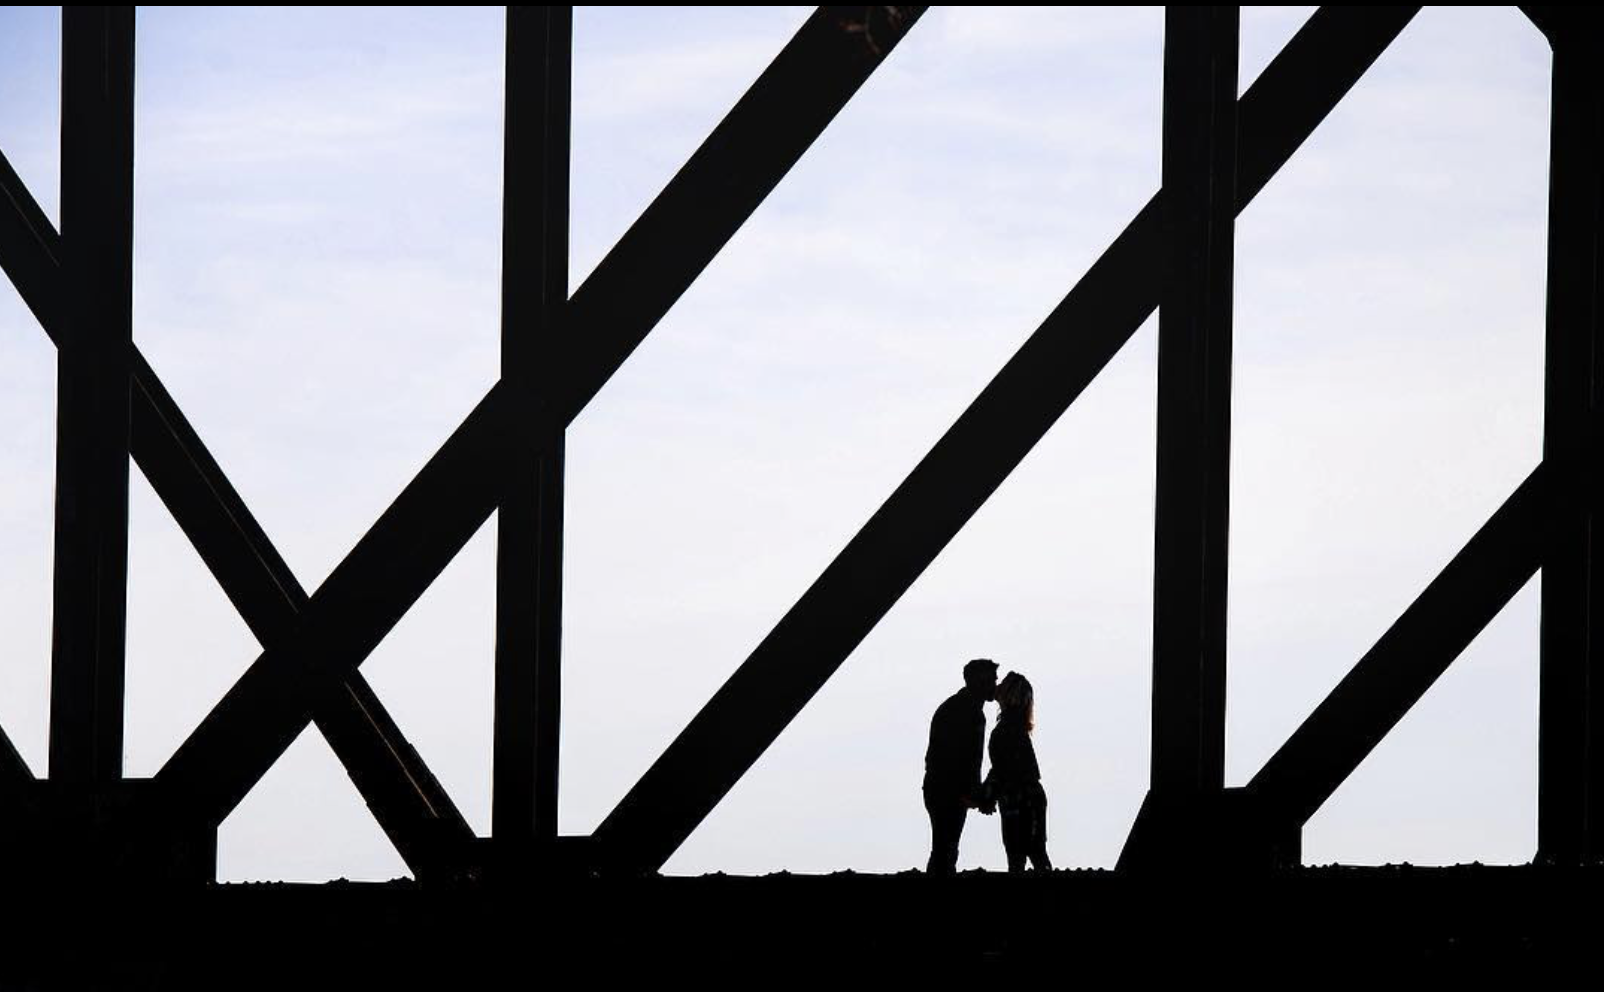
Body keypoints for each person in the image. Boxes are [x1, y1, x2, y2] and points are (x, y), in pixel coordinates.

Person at [923, 658, 998, 874]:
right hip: (947, 790)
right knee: (945, 850)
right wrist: (968, 793)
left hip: (941, 789)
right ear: (978, 681)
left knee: (944, 848)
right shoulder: (968, 712)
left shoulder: (957, 708)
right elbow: (960, 760)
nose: (995, 685)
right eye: (992, 680)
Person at [982, 671, 1052, 873]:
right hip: (1027, 797)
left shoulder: (1005, 730)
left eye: (1003, 683)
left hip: (1019, 799)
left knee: (1020, 856)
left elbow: (1002, 770)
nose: (998, 685)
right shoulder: (1015, 729)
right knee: (1035, 853)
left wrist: (985, 796)